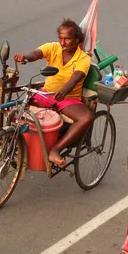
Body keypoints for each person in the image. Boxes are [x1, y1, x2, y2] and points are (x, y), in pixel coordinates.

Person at [14, 18, 94, 166]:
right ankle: (14, 141)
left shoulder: (83, 58)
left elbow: (76, 78)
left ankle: (55, 150)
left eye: (67, 39)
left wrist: (64, 91)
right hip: (47, 94)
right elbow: (36, 53)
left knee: (87, 117)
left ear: (77, 40)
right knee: (17, 108)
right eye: (61, 38)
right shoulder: (52, 47)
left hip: (68, 98)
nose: (63, 43)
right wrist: (25, 57)